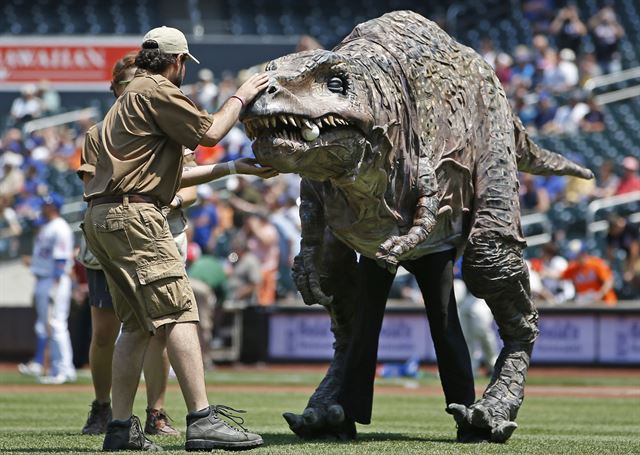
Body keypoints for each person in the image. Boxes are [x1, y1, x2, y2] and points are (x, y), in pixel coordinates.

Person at [81, 26, 276, 452]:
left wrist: (234, 169)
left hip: (103, 217)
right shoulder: (157, 90)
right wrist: (241, 95)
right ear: (178, 61)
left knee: (134, 327)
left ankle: (119, 429)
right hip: (135, 216)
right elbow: (210, 132)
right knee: (181, 313)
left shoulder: (128, 99)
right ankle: (202, 420)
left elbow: (165, 173)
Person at [76, 52, 180, 437]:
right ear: (115, 89)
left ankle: (156, 411)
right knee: (106, 331)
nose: (133, 89)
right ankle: (103, 407)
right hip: (114, 226)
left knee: (160, 326)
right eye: (126, 83)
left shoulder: (161, 125)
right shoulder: (97, 132)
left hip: (154, 229)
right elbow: (91, 185)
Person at [18, 192, 76, 384]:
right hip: (45, 279)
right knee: (50, 326)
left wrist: (55, 284)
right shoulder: (47, 227)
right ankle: (58, 369)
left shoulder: (59, 228)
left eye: (45, 205)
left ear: (53, 207)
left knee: (57, 324)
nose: (42, 207)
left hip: (54, 280)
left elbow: (61, 260)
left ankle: (63, 369)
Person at [561, 240, 617, 306]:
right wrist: (547, 273)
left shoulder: (596, 263)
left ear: (583, 253)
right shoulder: (574, 267)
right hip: (586, 304)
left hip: (605, 303)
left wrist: (599, 295)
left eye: (578, 255)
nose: (576, 258)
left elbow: (609, 281)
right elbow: (560, 276)